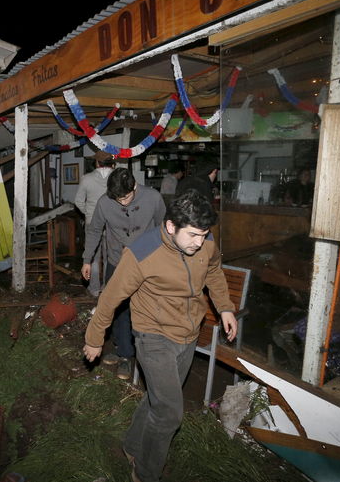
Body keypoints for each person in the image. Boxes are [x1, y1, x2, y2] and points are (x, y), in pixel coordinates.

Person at [82, 190, 237, 482]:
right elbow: (110, 298)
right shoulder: (141, 253)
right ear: (170, 226)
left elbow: (214, 270)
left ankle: (133, 446)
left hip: (188, 332)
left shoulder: (205, 241)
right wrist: (94, 338)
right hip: (153, 334)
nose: (199, 242)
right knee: (168, 413)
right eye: (193, 235)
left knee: (159, 399)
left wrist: (225, 307)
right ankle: (144, 474)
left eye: (204, 235)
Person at [81, 167, 166, 380]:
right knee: (117, 309)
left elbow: (164, 229)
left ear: (134, 186)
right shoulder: (104, 203)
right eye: (118, 199)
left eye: (126, 197)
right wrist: (87, 259)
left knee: (143, 309)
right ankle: (124, 354)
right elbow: (94, 231)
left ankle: (144, 355)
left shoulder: (153, 198)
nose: (122, 203)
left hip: (146, 263)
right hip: (117, 262)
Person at [74, 149, 116, 297]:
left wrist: (89, 212)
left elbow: (78, 201)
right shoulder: (116, 178)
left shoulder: (86, 178)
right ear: (112, 163)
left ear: (97, 162)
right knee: (111, 256)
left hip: (92, 222)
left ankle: (94, 289)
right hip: (112, 223)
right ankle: (108, 287)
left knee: (92, 256)